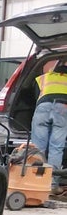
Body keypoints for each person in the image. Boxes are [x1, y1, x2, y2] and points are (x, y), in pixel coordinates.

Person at [31, 59, 67, 195]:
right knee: (56, 148)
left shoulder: (45, 77)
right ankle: (52, 185)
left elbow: (36, 96)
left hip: (42, 107)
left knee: (38, 148)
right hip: (63, 108)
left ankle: (34, 181)